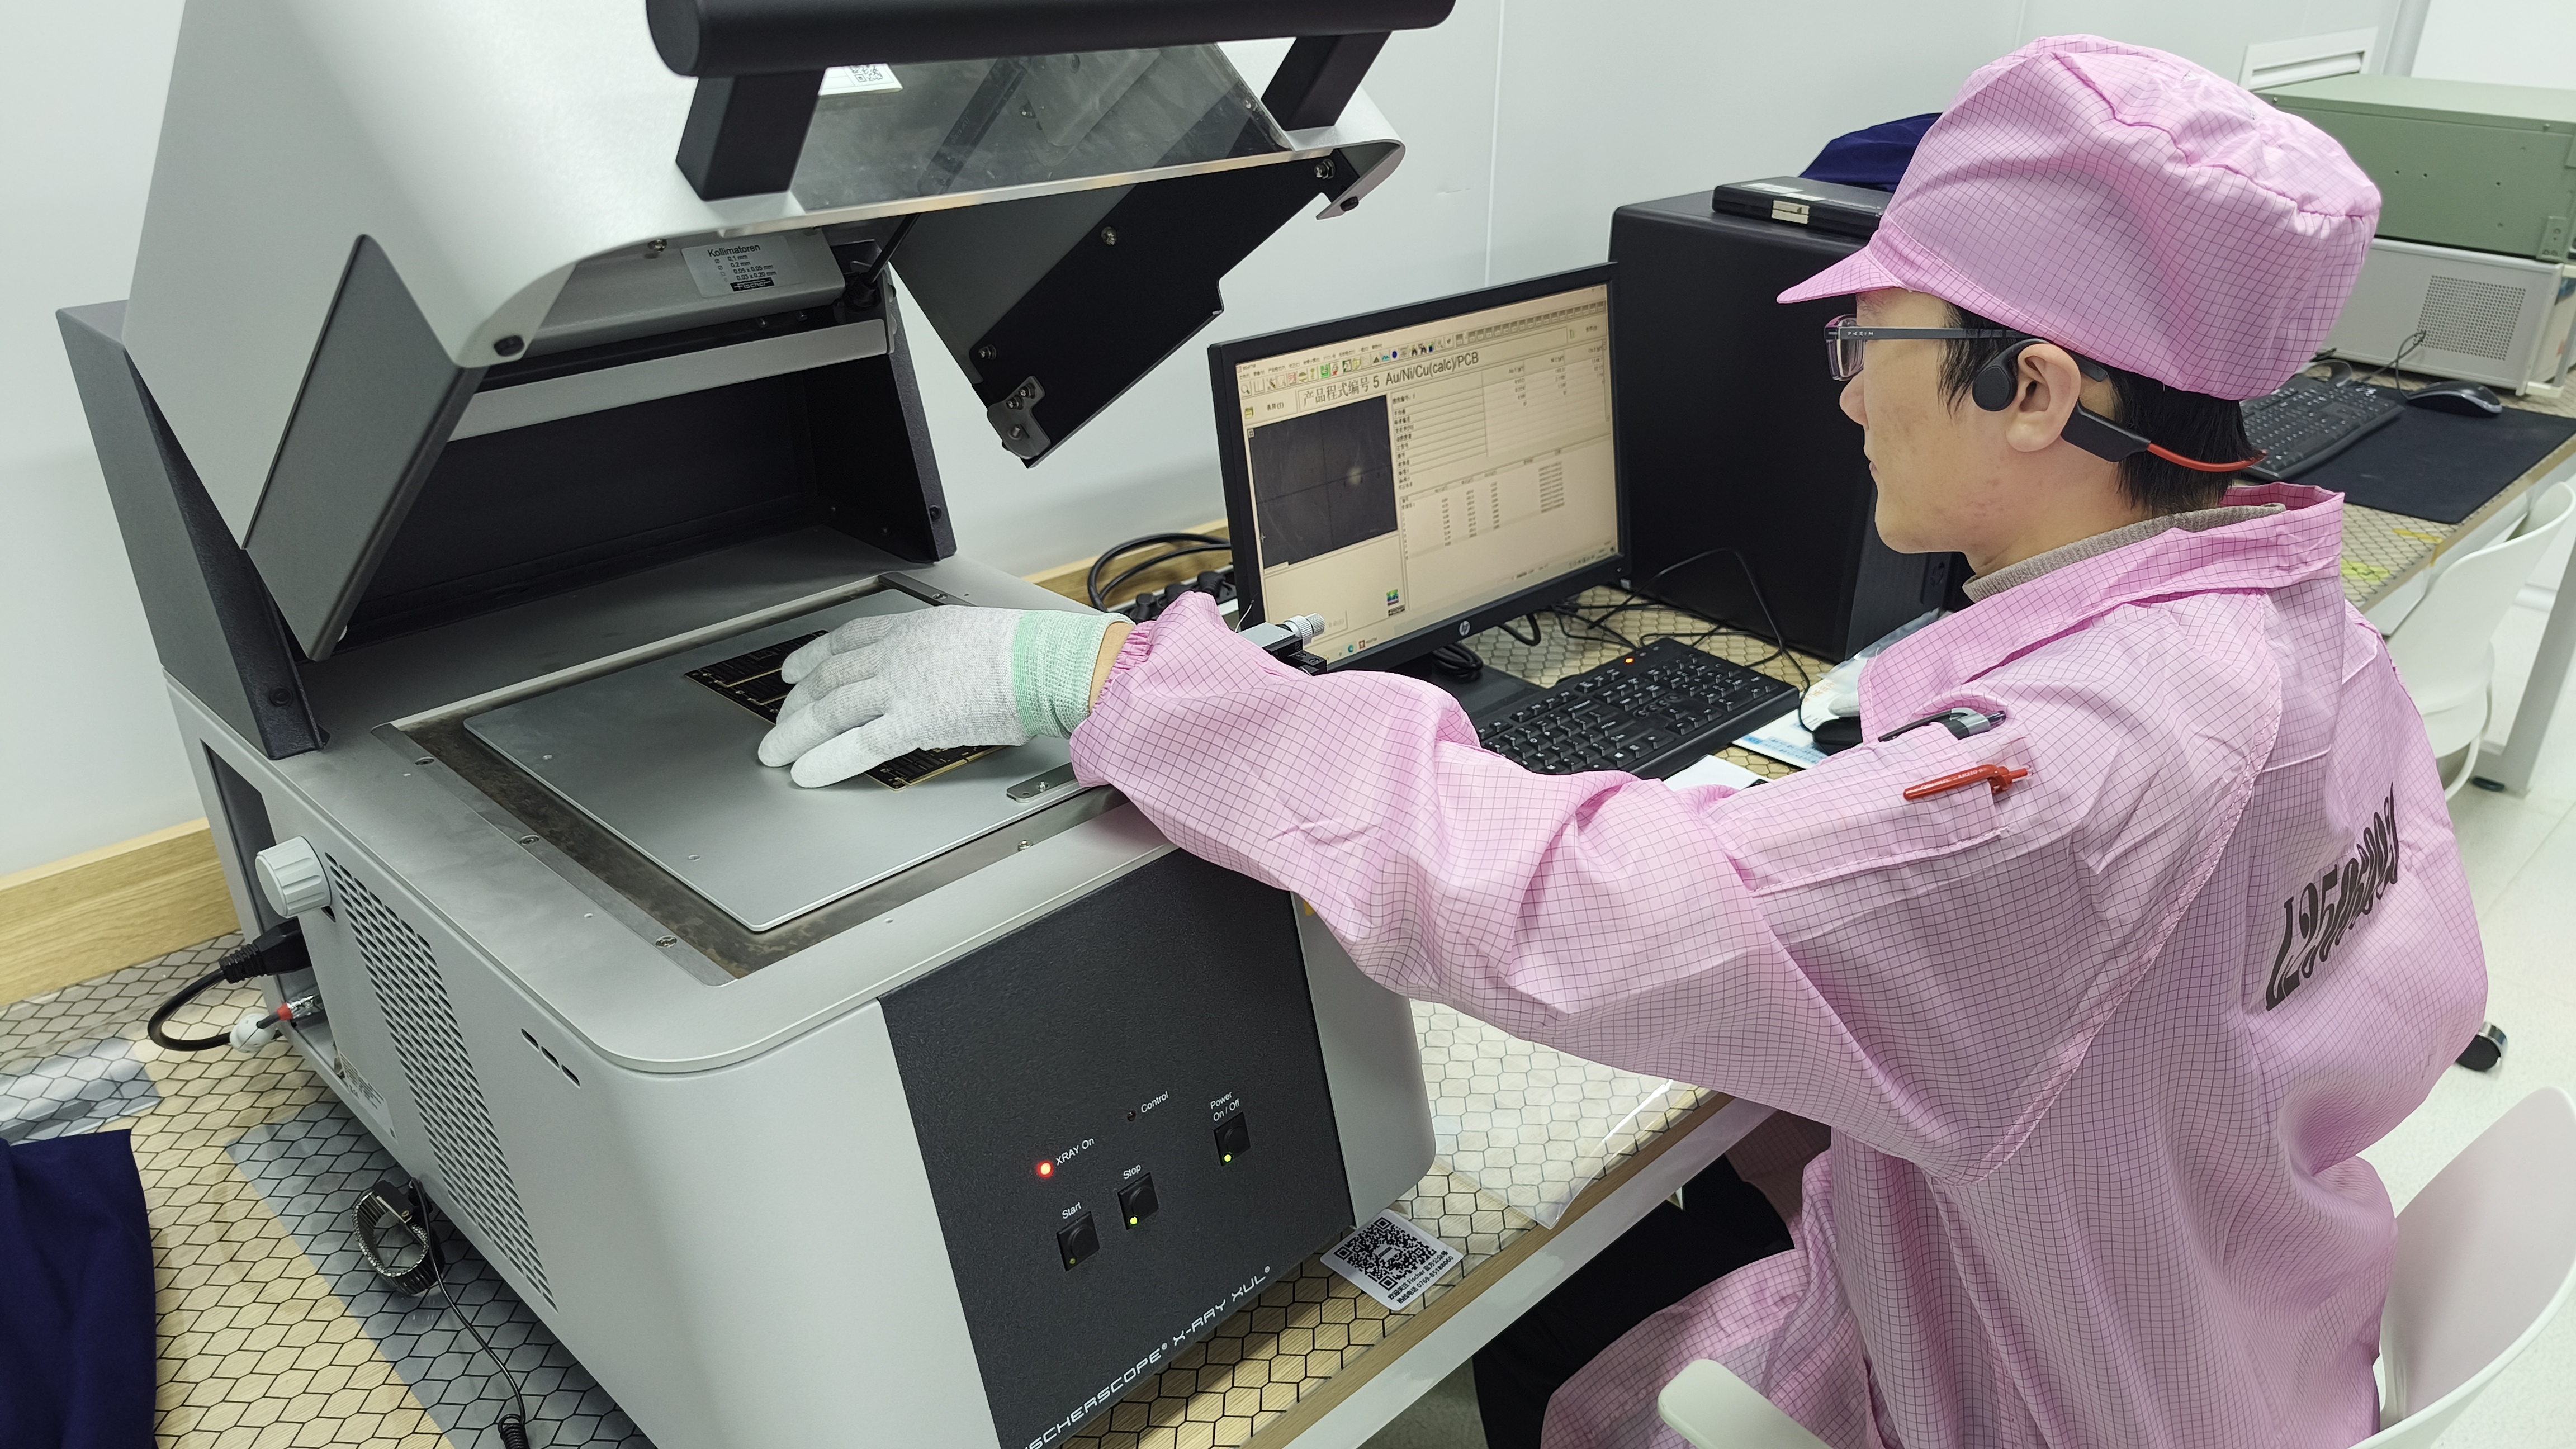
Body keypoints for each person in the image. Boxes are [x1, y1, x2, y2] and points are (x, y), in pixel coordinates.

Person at [756, 35, 2487, 1449]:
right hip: (2246, 1331)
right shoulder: (2291, 622)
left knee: (1545, 1352)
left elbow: (1567, 905)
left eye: (1878, 339)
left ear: (2032, 392)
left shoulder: (2071, 781)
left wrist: (1116, 683)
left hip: (2061, 1395)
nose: (1842, 389)